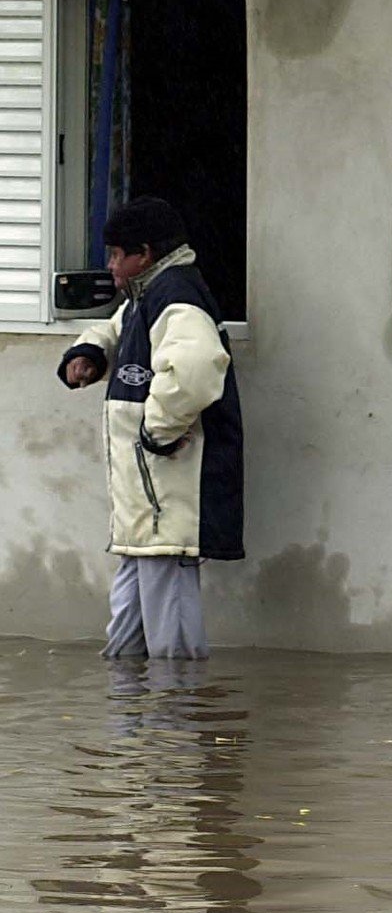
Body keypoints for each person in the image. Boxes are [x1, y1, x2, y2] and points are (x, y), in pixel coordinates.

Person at [57, 196, 244, 660]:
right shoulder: (150, 293)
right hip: (146, 504)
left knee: (172, 636)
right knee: (128, 630)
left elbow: (197, 369)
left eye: (117, 255)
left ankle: (173, 724)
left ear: (145, 253)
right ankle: (132, 720)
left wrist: (156, 433)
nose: (111, 267)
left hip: (168, 493)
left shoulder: (176, 296)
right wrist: (88, 353)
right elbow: (117, 327)